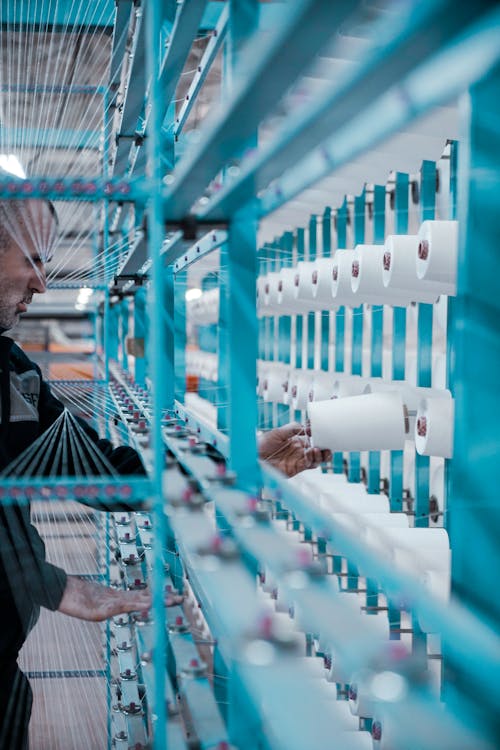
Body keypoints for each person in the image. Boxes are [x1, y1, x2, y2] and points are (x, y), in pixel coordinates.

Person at [0, 196, 329, 747]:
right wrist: (51, 584)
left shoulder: (12, 374)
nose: (42, 284)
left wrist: (236, 460)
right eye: (33, 259)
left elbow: (100, 470)